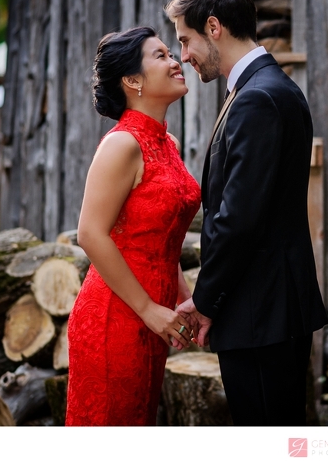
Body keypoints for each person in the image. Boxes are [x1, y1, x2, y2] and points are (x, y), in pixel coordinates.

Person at [165, 0, 328, 426]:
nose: (184, 56)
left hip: (261, 314)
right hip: (267, 310)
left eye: (185, 40)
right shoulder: (262, 89)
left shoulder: (259, 98)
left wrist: (205, 301)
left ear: (214, 27)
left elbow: (237, 218)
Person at [66, 26, 201, 426]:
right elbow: (89, 233)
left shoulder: (168, 143)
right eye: (160, 56)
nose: (176, 61)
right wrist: (147, 309)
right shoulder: (121, 144)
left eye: (171, 53)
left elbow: (161, 237)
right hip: (117, 316)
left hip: (154, 317)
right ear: (132, 80)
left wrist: (183, 298)